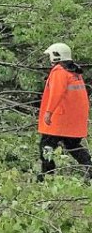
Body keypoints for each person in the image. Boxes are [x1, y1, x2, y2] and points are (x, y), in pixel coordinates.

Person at [38, 42, 91, 180]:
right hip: (74, 118)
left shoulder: (59, 72)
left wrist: (49, 112)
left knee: (46, 145)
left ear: (56, 56)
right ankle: (90, 168)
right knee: (73, 145)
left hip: (60, 118)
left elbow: (56, 93)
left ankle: (47, 175)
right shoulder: (74, 72)